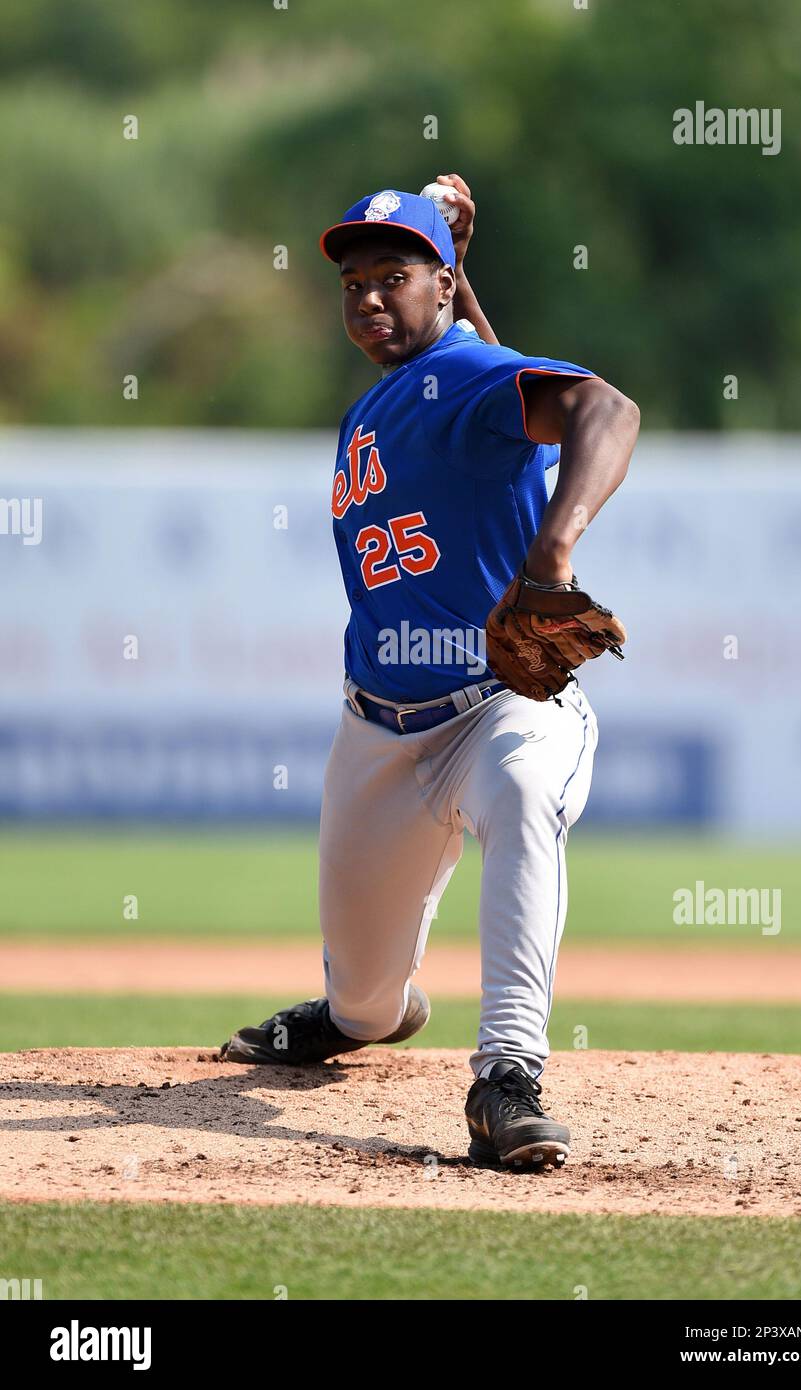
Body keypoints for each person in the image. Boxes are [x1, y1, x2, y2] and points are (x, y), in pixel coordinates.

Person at [222, 175, 640, 1170]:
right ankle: (360, 1018)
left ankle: (507, 1080)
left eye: (393, 275)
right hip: (376, 733)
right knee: (365, 999)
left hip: (503, 705)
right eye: (352, 281)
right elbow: (486, 385)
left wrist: (553, 557)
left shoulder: (455, 375)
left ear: (442, 285)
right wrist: (457, 275)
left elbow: (602, 408)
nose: (367, 296)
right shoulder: (385, 404)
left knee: (527, 789)